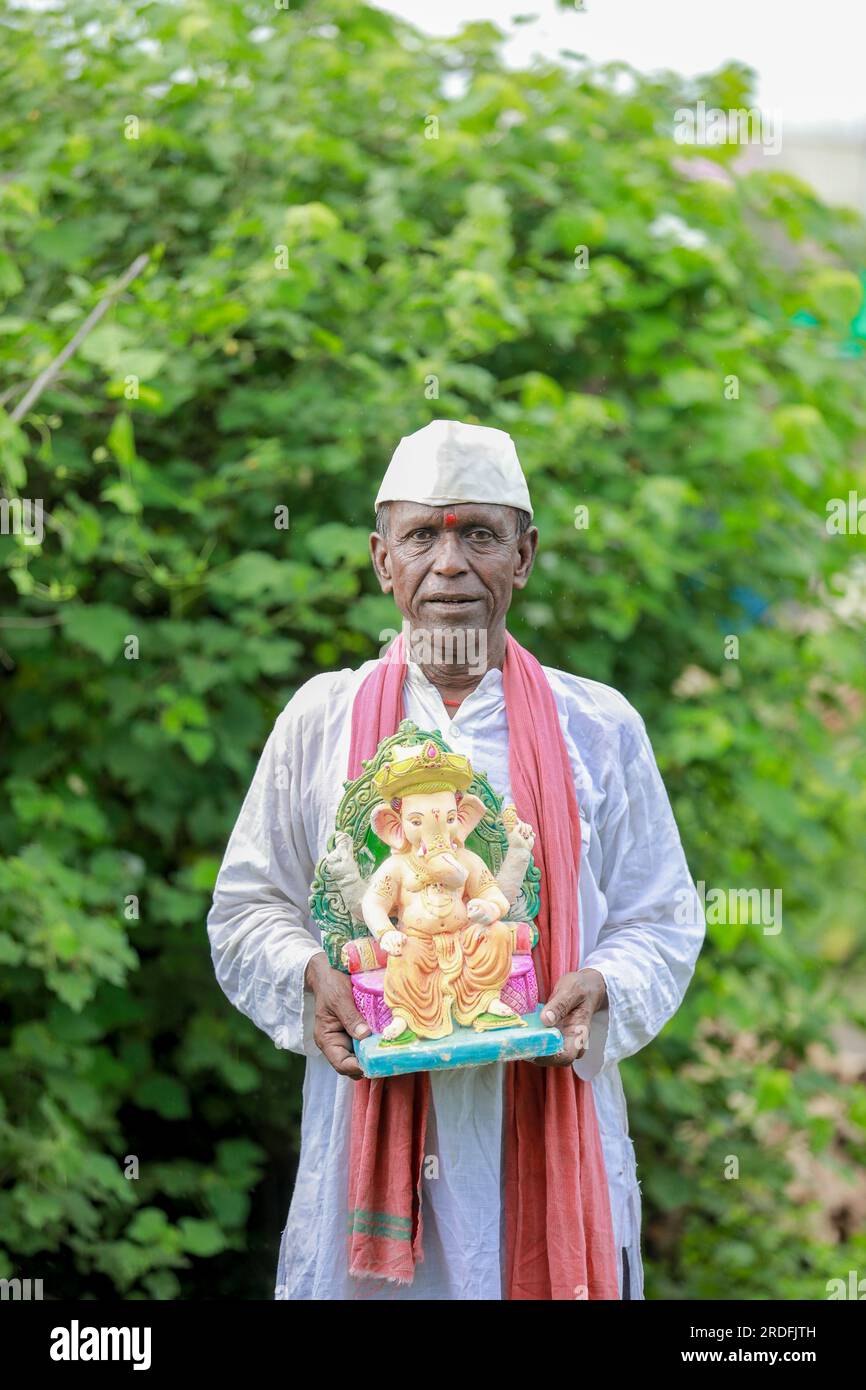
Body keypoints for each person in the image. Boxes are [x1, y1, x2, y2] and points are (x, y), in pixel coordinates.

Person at [206, 419, 705, 1300]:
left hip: (549, 1131)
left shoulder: (598, 728)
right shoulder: (322, 721)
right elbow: (248, 907)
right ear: (380, 559)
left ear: (524, 554)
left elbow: (660, 917)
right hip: (368, 1144)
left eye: (479, 533)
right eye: (422, 537)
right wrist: (311, 977)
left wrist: (602, 988)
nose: (449, 565)